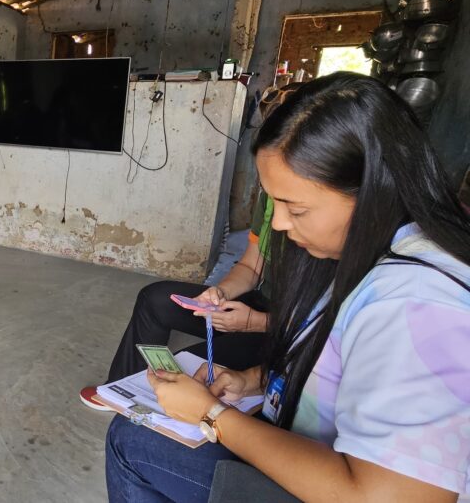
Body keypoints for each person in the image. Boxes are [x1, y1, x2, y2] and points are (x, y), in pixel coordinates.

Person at [105, 72, 470, 502]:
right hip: (294, 418)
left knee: (133, 441)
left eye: (296, 210)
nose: (278, 223)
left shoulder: (418, 303)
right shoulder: (359, 254)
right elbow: (324, 352)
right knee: (154, 309)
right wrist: (254, 381)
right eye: (275, 203)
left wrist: (213, 414)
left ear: (374, 190)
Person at [78, 192, 273, 410]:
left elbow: (308, 333)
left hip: (287, 336)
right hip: (262, 304)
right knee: (155, 299)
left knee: (188, 371)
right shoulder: (271, 198)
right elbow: (250, 266)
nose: (280, 221)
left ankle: (151, 404)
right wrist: (220, 292)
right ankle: (121, 389)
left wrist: (257, 322)